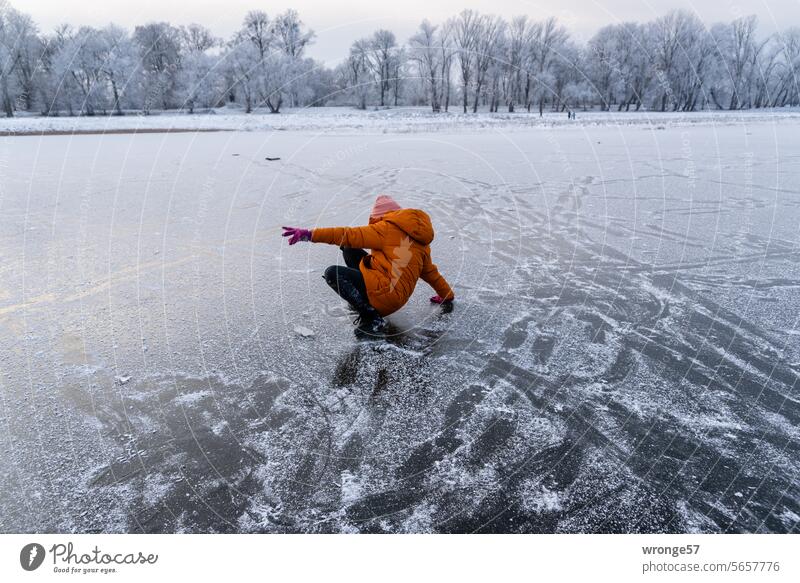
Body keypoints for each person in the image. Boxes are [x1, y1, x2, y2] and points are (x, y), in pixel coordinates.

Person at [282, 195, 454, 334]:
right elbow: (431, 272)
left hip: (384, 294)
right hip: (396, 296)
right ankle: (362, 299)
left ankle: (371, 317)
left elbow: (346, 234)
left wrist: (309, 234)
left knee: (332, 273)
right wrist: (446, 294)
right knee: (350, 249)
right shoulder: (420, 242)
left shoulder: (385, 228)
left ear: (379, 217)